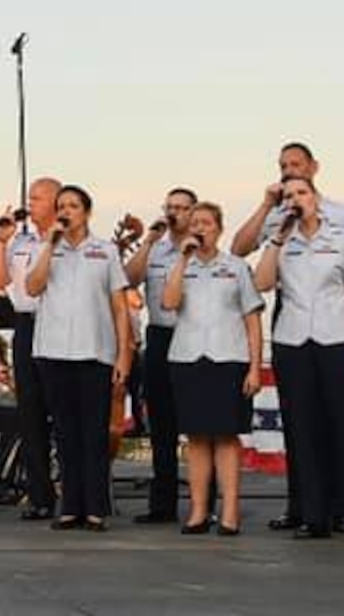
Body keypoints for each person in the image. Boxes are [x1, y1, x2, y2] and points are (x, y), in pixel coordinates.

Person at [230, 141, 344, 533]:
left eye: (296, 167)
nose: (289, 172)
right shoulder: (278, 217)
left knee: (340, 425)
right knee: (300, 426)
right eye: (283, 167)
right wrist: (268, 210)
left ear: (314, 169)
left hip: (335, 329)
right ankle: (308, 510)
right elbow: (241, 253)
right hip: (291, 325)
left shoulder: (341, 217)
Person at [25, 184, 133, 532]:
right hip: (54, 351)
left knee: (93, 432)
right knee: (66, 432)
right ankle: (70, 505)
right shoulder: (45, 248)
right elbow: (32, 287)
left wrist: (123, 354)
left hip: (95, 351)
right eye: (61, 206)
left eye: (73, 206)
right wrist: (49, 246)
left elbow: (119, 306)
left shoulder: (105, 251)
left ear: (86, 212)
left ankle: (96, 507)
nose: (66, 211)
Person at [161, 201, 263, 535]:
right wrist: (182, 260)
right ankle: (198, 510)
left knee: (225, 436)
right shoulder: (178, 265)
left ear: (219, 228)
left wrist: (254, 367)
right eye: (195, 223)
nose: (200, 228)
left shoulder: (236, 267)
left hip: (228, 358)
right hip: (188, 357)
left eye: (206, 223)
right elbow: (170, 303)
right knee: (196, 438)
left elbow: (252, 320)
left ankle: (230, 510)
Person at [0, 176, 61, 519]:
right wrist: (2, 242)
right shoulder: (22, 242)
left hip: (60, 324)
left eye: (39, 198)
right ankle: (40, 495)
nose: (31, 204)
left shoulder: (66, 243)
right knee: (30, 413)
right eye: (30, 197)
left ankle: (74, 494)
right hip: (27, 324)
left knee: (62, 411)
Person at [121, 188, 197, 524]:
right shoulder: (156, 248)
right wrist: (149, 241)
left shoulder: (200, 248)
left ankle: (202, 504)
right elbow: (128, 279)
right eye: (170, 207)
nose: (175, 213)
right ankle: (162, 505)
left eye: (182, 208)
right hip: (161, 335)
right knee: (161, 427)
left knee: (196, 425)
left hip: (194, 336)